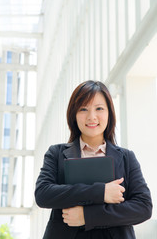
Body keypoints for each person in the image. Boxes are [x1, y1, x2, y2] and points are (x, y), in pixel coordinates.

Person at [35, 80, 152, 239]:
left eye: (99, 109)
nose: (92, 117)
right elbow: (43, 194)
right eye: (83, 109)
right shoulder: (56, 153)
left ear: (109, 113)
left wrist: (87, 216)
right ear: (74, 115)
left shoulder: (126, 157)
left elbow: (143, 207)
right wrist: (101, 192)